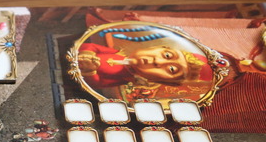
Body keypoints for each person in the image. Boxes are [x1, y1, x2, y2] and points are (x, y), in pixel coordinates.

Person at [77, 42, 212, 88]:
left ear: (159, 81)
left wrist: (90, 71)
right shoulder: (117, 54)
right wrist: (87, 53)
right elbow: (91, 46)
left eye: (171, 69)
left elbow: (97, 84)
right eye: (167, 55)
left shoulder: (123, 78)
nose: (158, 62)